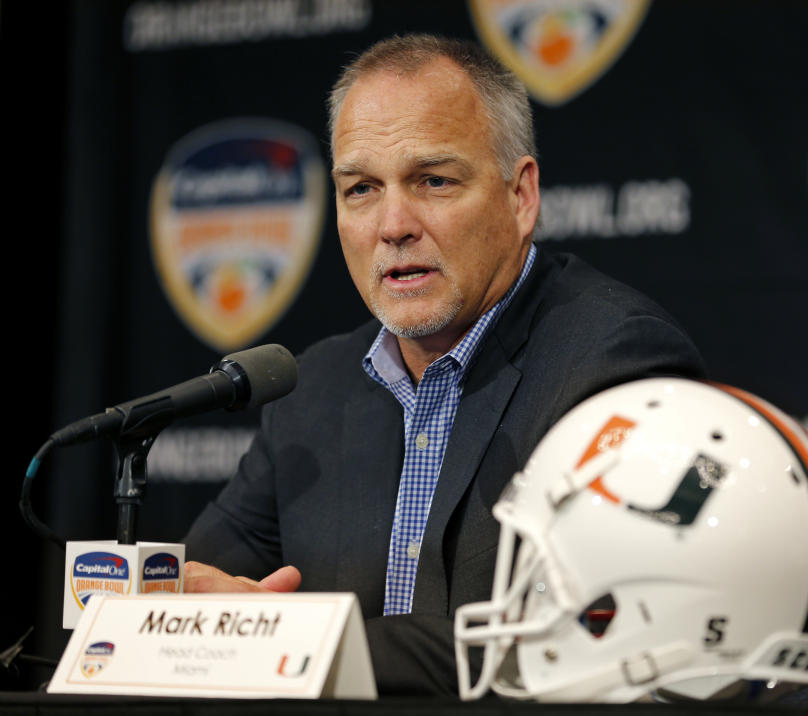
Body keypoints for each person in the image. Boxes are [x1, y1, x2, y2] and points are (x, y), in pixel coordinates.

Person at [183, 33, 706, 694]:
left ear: (519, 197)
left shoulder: (614, 363)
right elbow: (202, 584)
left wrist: (295, 644)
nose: (392, 224)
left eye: (432, 180)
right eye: (361, 189)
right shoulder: (313, 389)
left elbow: (575, 636)